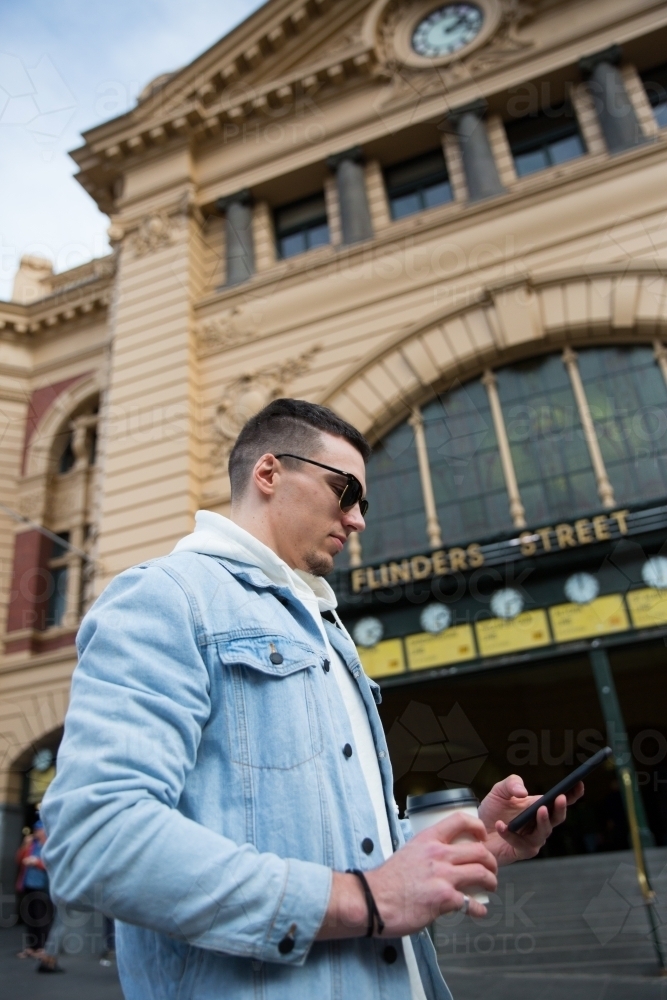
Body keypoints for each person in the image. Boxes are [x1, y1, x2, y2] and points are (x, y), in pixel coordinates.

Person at [42, 399, 582, 1000]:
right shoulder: (166, 597)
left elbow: (334, 847)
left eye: (364, 502)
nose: (357, 520)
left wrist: (468, 843)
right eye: (344, 490)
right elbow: (95, 836)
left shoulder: (323, 627)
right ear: (268, 473)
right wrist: (368, 901)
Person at [16, 819, 53, 959]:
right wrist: (25, 845)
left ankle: (42, 947)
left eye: (39, 829)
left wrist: (37, 862)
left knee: (41, 917)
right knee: (29, 916)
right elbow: (19, 859)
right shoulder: (31, 845)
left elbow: (51, 864)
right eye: (36, 830)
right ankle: (31, 946)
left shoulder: (48, 845)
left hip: (42, 886)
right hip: (28, 884)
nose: (37, 832)